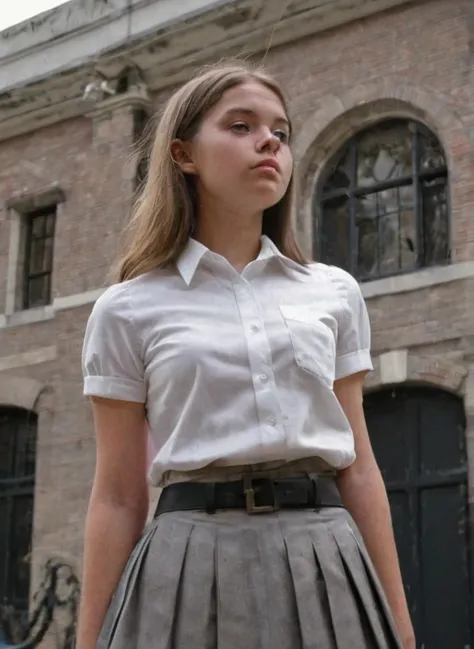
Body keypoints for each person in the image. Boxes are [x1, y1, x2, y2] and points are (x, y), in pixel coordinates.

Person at [77, 61, 415, 649]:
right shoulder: (126, 308)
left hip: (328, 559)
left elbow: (358, 467)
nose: (268, 142)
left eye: (280, 132)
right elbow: (117, 494)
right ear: (183, 154)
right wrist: (88, 640)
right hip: (185, 564)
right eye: (239, 125)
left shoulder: (332, 291)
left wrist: (400, 627)